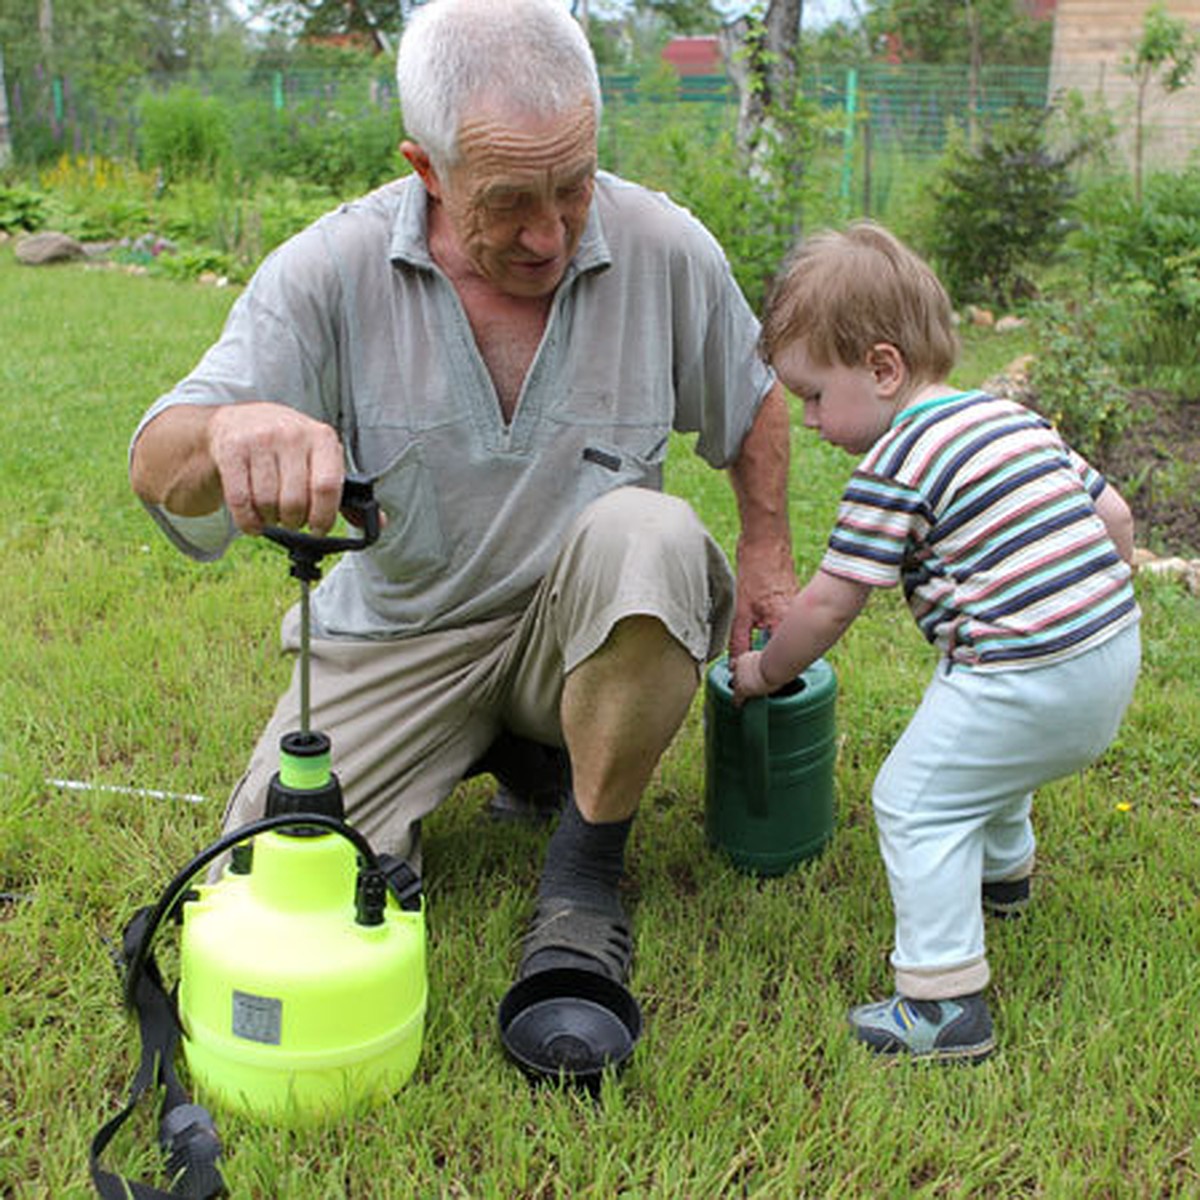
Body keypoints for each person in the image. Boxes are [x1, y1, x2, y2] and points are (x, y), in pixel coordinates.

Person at [128, 0, 795, 1019]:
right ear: (426, 168)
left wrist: (768, 551)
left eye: (572, 186)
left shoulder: (664, 245)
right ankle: (506, 753)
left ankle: (581, 868)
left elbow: (751, 403)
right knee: (262, 883)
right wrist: (228, 433)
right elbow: (156, 460)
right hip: (400, 637)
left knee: (653, 535)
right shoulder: (327, 269)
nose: (551, 232)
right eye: (511, 199)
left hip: (577, 632)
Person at [732, 221, 1141, 1062]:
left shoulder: (894, 463)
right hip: (1111, 654)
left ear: (882, 369)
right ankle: (1004, 876)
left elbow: (830, 605)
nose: (807, 420)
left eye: (813, 395)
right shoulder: (1009, 416)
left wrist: (764, 672)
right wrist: (1080, 609)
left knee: (915, 799)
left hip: (1025, 675)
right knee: (983, 753)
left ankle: (943, 1005)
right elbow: (1115, 517)